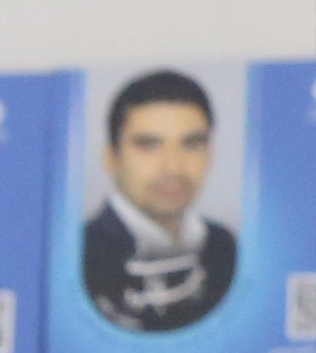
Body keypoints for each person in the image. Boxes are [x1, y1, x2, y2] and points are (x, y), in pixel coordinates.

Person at [81, 71, 240, 334]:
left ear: (210, 155)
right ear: (111, 158)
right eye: (150, 145)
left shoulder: (226, 249)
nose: (173, 167)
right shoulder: (79, 256)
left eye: (191, 144)